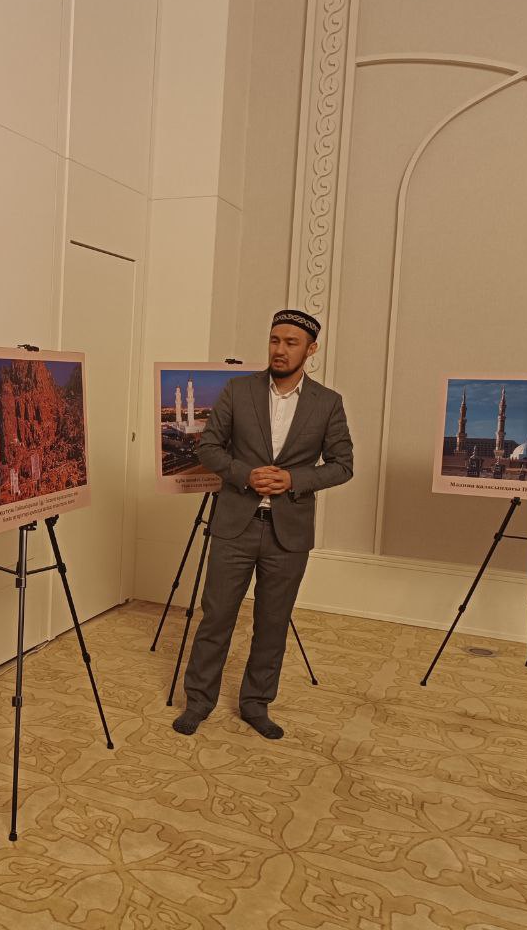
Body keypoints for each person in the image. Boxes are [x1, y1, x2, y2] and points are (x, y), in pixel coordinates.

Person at [173, 309, 353, 740]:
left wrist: (294, 479)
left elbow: (343, 465)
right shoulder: (238, 390)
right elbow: (209, 447)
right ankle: (198, 702)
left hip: (288, 533)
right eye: (275, 340)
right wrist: (244, 474)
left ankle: (256, 704)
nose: (280, 350)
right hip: (235, 524)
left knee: (273, 623)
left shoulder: (327, 402)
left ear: (311, 349)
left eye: (291, 343)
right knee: (217, 617)